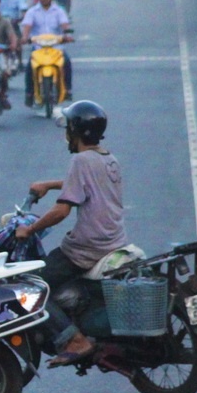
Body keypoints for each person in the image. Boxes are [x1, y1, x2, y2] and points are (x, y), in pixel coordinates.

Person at [17, 101, 126, 365]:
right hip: (114, 242)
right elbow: (87, 183)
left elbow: (62, 211)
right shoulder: (107, 158)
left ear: (76, 131)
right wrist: (49, 185)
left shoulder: (80, 160)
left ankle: (73, 339)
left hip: (86, 249)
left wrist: (29, 229)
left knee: (28, 286)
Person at [20, 0, 74, 98]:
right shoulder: (32, 12)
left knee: (67, 62)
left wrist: (67, 35)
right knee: (30, 66)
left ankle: (68, 89)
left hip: (56, 47)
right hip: (38, 47)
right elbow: (27, 27)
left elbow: (65, 25)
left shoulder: (59, 11)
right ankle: (29, 92)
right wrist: (25, 37)